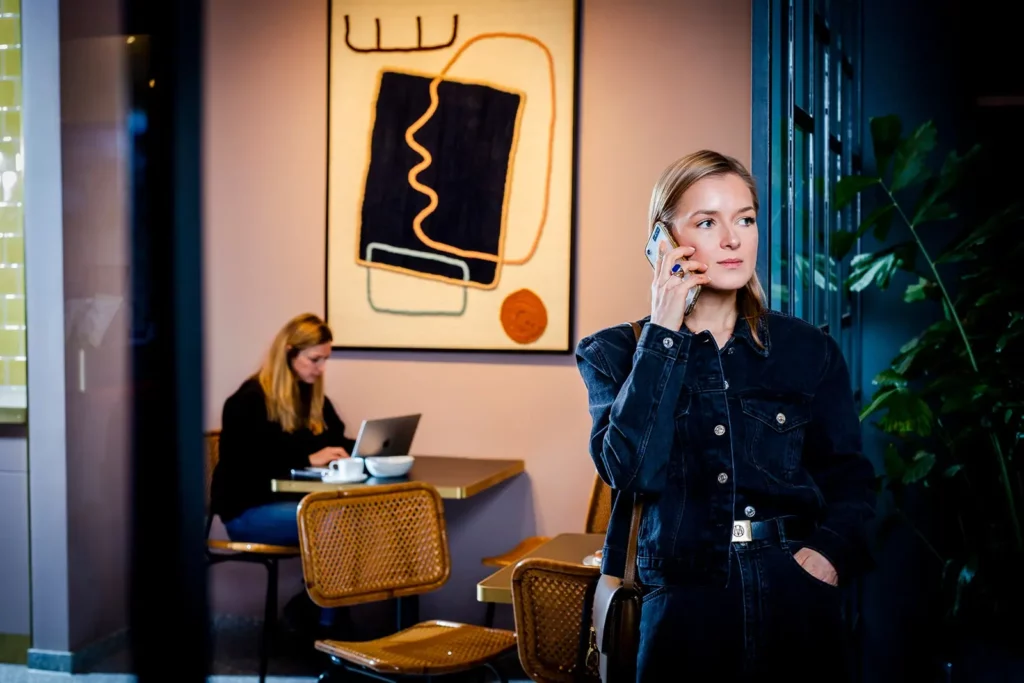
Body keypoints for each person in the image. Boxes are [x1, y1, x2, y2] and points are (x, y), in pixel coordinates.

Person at [575, 151, 876, 681]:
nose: (734, 240)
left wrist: (825, 557)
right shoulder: (613, 353)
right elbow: (630, 471)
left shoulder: (807, 350)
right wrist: (665, 332)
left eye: (745, 219)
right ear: (663, 241)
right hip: (682, 606)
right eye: (708, 222)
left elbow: (851, 482)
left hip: (795, 598)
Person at [211, 312, 355, 547]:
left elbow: (333, 439)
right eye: (314, 359)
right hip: (248, 509)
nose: (321, 369)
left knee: (357, 514)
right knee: (338, 520)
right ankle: (320, 584)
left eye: (325, 360)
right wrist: (308, 458)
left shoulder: (311, 396)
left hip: (290, 502)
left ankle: (323, 584)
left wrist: (367, 450)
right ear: (289, 353)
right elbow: (248, 466)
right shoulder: (249, 400)